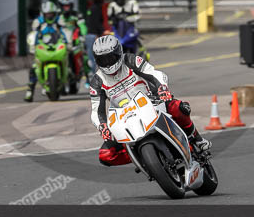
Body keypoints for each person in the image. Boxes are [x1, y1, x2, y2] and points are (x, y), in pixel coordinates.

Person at [89, 34, 209, 166]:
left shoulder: (130, 60)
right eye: (102, 60)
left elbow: (153, 73)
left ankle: (197, 139)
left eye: (110, 58)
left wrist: (162, 88)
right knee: (105, 155)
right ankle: (142, 157)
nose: (107, 63)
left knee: (178, 108)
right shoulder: (97, 82)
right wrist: (102, 126)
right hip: (124, 116)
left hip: (151, 101)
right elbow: (96, 111)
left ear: (118, 53)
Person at [25, 0, 67, 102]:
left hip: (57, 45)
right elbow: (34, 34)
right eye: (47, 14)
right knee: (34, 67)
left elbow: (65, 32)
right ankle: (30, 90)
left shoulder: (59, 20)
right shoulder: (38, 22)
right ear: (43, 14)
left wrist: (68, 42)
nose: (49, 16)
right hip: (43, 46)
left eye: (51, 14)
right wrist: (32, 45)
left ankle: (66, 83)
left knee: (67, 59)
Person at [57, 0, 87, 84]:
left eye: (68, 6)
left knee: (85, 56)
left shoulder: (77, 15)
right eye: (64, 6)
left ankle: (88, 76)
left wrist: (83, 36)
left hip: (74, 42)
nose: (66, 8)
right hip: (59, 42)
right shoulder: (57, 16)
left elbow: (82, 26)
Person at [85, 0, 106, 76]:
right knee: (96, 57)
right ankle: (94, 75)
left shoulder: (90, 8)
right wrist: (102, 32)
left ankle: (91, 74)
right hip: (94, 35)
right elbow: (97, 23)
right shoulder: (97, 9)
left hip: (88, 35)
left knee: (90, 56)